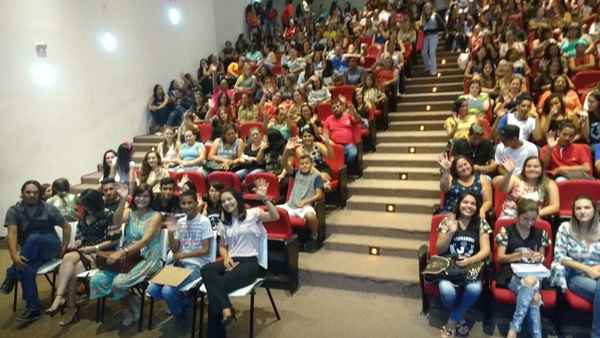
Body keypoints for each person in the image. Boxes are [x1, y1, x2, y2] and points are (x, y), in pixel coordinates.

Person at [200, 182, 279, 338]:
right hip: (232, 259)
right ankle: (226, 308)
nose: (226, 203)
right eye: (223, 202)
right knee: (206, 269)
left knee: (215, 288)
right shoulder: (225, 223)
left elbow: (275, 216)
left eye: (229, 199)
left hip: (249, 262)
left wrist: (265, 199)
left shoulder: (253, 214)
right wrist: (226, 256)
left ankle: (220, 324)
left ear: (237, 199)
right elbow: (222, 246)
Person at [89, 184, 163, 327]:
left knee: (118, 282)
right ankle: (132, 300)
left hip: (147, 257)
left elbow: (144, 241)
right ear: (134, 197)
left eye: (146, 196)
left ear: (151, 198)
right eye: (138, 196)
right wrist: (123, 200)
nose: (141, 199)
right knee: (97, 280)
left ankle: (126, 310)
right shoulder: (129, 212)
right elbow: (116, 222)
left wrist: (120, 252)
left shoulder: (156, 216)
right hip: (127, 257)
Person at [45, 189, 121, 326]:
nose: (83, 208)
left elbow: (114, 240)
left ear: (94, 203)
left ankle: (68, 305)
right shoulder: (84, 215)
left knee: (72, 270)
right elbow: (80, 236)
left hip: (101, 253)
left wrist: (94, 248)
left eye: (86, 205)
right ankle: (61, 298)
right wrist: (78, 242)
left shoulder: (109, 215)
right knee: (68, 258)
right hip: (84, 251)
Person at [1, 180, 72, 326]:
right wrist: (14, 257)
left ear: (39, 194)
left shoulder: (49, 208)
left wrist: (63, 248)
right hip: (31, 253)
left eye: (35, 192)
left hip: (50, 247)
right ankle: (33, 308)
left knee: (35, 238)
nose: (32, 195)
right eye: (28, 192)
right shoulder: (14, 211)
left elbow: (66, 227)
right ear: (22, 194)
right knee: (26, 268)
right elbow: (12, 234)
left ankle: (11, 273)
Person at [147, 190, 213, 322]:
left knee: (167, 291)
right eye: (183, 203)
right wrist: (171, 231)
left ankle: (179, 314)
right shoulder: (181, 222)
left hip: (197, 266)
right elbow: (175, 248)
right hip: (180, 264)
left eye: (190, 203)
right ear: (180, 205)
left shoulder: (204, 221)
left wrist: (184, 255)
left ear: (196, 203)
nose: (187, 206)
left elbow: (205, 250)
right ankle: (185, 303)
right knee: (152, 289)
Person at [436, 192, 491, 338]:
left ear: (477, 206)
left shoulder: (482, 223)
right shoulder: (447, 221)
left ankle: (452, 321)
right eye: (465, 202)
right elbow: (439, 248)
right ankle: (459, 318)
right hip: (449, 267)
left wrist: (469, 261)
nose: (469, 206)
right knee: (447, 291)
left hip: (470, 267)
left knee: (474, 289)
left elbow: (486, 250)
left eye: (473, 204)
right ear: (459, 204)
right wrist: (450, 233)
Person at [495, 199, 550, 338]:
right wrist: (518, 255)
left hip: (534, 273)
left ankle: (514, 328)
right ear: (518, 215)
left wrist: (538, 256)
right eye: (526, 219)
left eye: (533, 219)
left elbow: (542, 258)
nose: (530, 223)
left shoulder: (540, 233)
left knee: (531, 282)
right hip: (512, 273)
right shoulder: (506, 231)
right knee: (534, 297)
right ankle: (535, 335)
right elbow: (500, 258)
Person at [551, 196, 600, 338]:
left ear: (594, 210)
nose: (582, 211)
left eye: (587, 207)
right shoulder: (565, 228)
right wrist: (587, 269)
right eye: (578, 208)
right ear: (573, 212)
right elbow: (559, 257)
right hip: (576, 276)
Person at [280, 142, 325, 252]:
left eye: (307, 163)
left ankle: (314, 234)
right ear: (299, 165)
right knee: (275, 212)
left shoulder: (316, 177)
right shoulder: (296, 173)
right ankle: (283, 239)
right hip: (291, 205)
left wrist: (306, 201)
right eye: (302, 164)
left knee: (310, 216)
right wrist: (286, 151)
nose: (304, 165)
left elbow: (319, 195)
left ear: (311, 164)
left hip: (305, 206)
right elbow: (284, 163)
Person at [438, 153, 492, 220]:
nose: (464, 168)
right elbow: (443, 189)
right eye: (460, 166)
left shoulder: (482, 178)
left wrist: (482, 210)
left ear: (470, 164)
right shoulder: (450, 178)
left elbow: (488, 201)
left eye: (465, 164)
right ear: (456, 170)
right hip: (451, 214)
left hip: (473, 214)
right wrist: (446, 171)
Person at [323, 96, 361, 168]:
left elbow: (358, 120)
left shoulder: (348, 116)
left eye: (337, 106)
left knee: (353, 154)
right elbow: (325, 134)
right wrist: (329, 141)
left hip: (348, 145)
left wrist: (354, 112)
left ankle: (347, 168)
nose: (336, 109)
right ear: (331, 110)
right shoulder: (328, 119)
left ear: (342, 107)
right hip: (335, 145)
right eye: (334, 108)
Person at [419, 2, 444, 76]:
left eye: (428, 7)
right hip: (425, 35)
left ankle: (434, 71)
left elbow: (441, 25)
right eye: (425, 8)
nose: (427, 9)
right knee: (423, 52)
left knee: (432, 52)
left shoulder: (435, 15)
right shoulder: (422, 16)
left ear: (431, 8)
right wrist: (421, 25)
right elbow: (421, 27)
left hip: (434, 35)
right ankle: (427, 67)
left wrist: (441, 33)